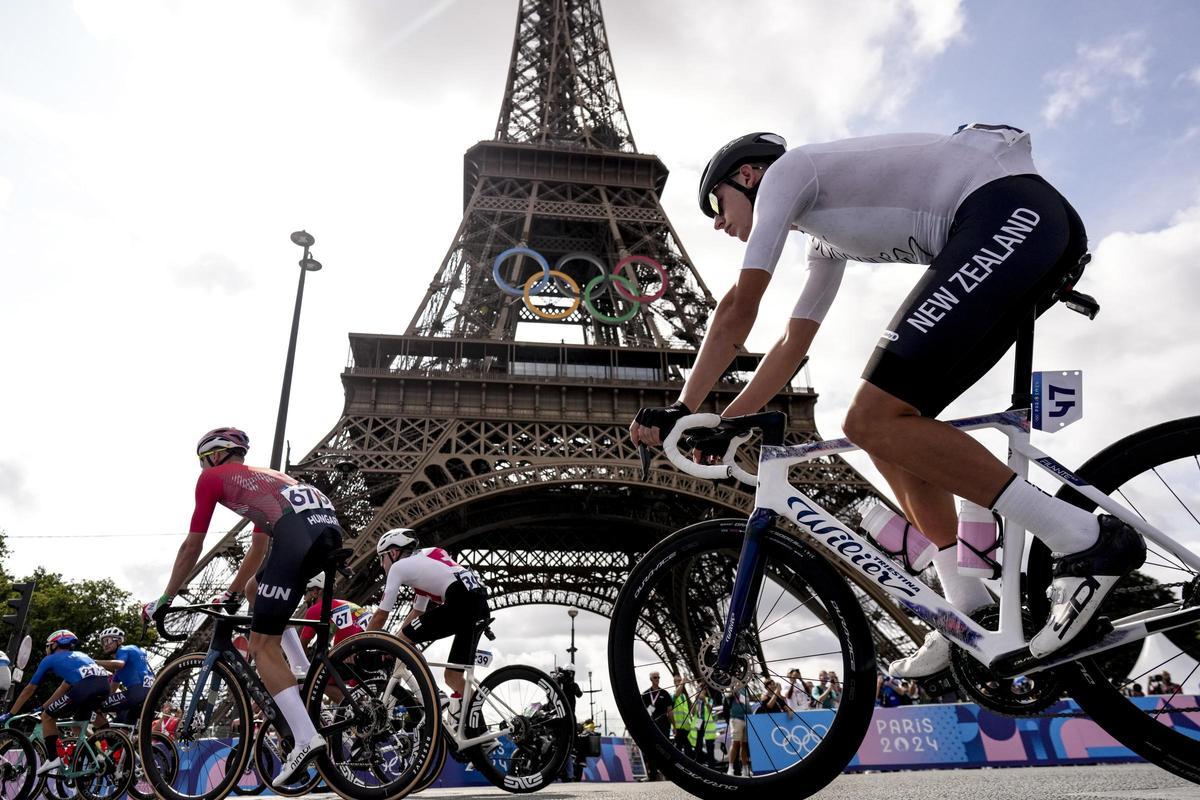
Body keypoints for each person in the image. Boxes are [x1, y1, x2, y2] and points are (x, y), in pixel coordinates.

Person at [629, 127, 1146, 676]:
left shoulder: (787, 173)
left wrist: (684, 409)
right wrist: (729, 423)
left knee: (871, 417)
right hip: (1020, 223)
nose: (715, 221)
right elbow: (791, 344)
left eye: (716, 203)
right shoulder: (823, 239)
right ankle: (964, 609)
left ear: (749, 176)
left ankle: (1082, 536)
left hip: (1008, 213)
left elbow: (740, 305)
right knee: (882, 431)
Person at [141, 427, 344, 785]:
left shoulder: (213, 479)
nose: (203, 468)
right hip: (326, 530)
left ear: (215, 456)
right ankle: (299, 665)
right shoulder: (267, 482)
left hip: (296, 535)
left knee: (260, 644)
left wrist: (166, 598)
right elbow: (258, 549)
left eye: (203, 461)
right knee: (255, 589)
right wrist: (233, 593)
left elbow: (192, 546)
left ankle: (304, 737)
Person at [367, 528, 490, 709]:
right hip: (478, 602)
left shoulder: (398, 567)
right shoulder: (426, 559)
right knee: (453, 678)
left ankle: (433, 694)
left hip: (460, 600)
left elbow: (381, 614)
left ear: (393, 553)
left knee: (402, 641)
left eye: (381, 557)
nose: (381, 564)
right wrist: (399, 637)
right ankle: (476, 728)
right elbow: (417, 613)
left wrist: (357, 646)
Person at [3, 631, 111, 775]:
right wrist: (43, 706)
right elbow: (62, 688)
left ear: (54, 645)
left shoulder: (50, 659)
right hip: (104, 686)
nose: (47, 649)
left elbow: (29, 689)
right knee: (77, 727)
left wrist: (11, 713)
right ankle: (100, 753)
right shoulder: (81, 656)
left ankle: (53, 758)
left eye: (48, 646)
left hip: (85, 687)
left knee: (47, 717)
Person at [93, 627, 154, 727]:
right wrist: (105, 707)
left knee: (93, 707)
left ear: (119, 640)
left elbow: (119, 664)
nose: (105, 645)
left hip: (137, 692)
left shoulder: (124, 650)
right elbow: (112, 690)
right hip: (150, 692)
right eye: (103, 642)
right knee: (125, 730)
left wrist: (96, 662)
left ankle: (104, 735)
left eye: (107, 640)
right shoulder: (124, 666)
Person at [640, 671, 672, 780]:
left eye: (658, 677)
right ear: (651, 679)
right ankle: (653, 774)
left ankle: (668, 773)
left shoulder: (665, 693)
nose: (657, 679)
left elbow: (670, 711)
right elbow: (642, 711)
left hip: (664, 725)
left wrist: (674, 726)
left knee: (665, 749)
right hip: (651, 725)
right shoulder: (645, 694)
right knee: (651, 749)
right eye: (655, 677)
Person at [724, 686, 750, 776]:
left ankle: (745, 769)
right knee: (735, 743)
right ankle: (730, 769)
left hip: (746, 719)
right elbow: (727, 694)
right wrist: (734, 687)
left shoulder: (744, 688)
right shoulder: (730, 686)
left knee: (744, 745)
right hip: (736, 718)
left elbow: (747, 703)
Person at [670, 675, 695, 751]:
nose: (680, 682)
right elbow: (677, 694)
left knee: (689, 748)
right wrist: (683, 682)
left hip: (686, 727)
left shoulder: (684, 696)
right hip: (678, 727)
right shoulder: (672, 694)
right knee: (678, 748)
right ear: (674, 683)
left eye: (680, 680)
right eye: (678, 681)